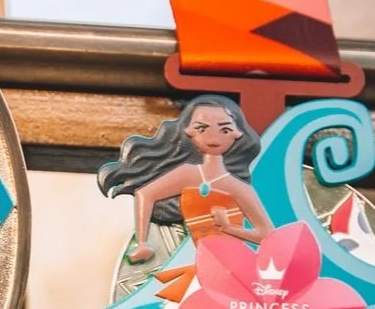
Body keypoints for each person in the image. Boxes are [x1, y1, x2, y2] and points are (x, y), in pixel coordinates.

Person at [98, 95, 273, 265]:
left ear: (237, 134)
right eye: (202, 128)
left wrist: (228, 228)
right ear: (188, 132)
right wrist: (142, 242)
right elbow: (145, 194)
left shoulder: (238, 187)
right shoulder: (187, 174)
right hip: (195, 261)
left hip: (232, 264)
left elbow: (266, 235)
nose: (213, 137)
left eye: (224, 129)